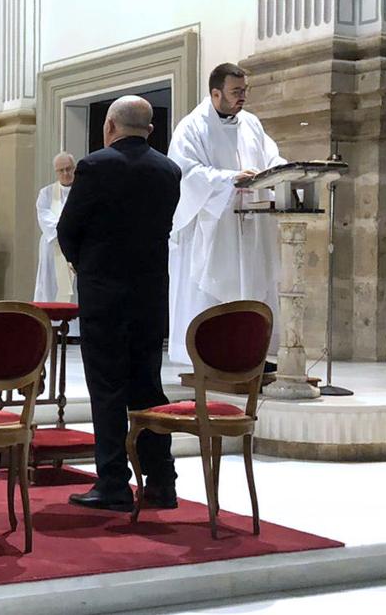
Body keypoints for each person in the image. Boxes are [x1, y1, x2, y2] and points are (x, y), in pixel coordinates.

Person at [57, 95, 180, 512]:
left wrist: (86, 266)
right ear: (150, 130)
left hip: (105, 298)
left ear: (110, 127)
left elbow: (68, 228)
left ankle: (112, 481)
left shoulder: (95, 165)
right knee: (148, 387)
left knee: (107, 389)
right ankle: (162, 480)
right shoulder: (169, 171)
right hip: (149, 299)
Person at [168, 63, 286, 367]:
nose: (242, 97)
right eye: (236, 91)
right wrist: (229, 179)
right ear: (215, 92)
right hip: (215, 225)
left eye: (244, 90)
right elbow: (185, 172)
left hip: (251, 225)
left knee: (252, 284)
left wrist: (282, 170)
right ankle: (210, 355)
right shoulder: (192, 127)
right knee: (215, 288)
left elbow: (271, 158)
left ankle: (252, 352)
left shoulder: (251, 124)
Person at [34, 151, 80, 337]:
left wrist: (69, 231)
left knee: (73, 287)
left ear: (74, 169)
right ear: (55, 172)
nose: (65, 174)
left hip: (75, 246)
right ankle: (49, 326)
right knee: (49, 284)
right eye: (61, 170)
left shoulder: (82, 190)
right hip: (52, 245)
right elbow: (45, 217)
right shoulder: (46, 193)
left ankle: (73, 332)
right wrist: (63, 231)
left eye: (69, 169)